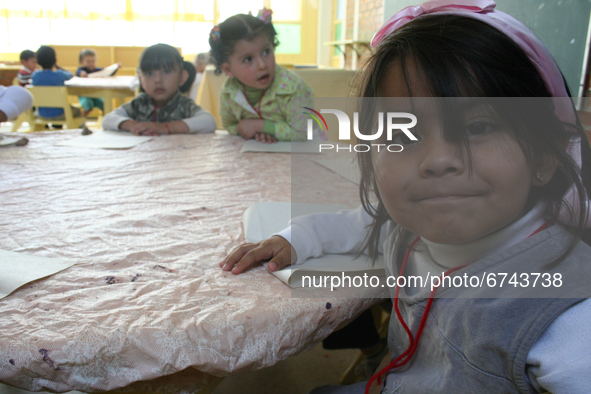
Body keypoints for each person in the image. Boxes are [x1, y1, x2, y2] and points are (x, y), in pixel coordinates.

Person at [219, 1, 591, 393]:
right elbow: (356, 223)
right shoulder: (411, 225)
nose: (439, 159)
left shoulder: (568, 321)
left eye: (478, 126)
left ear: (546, 157)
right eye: (401, 135)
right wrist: (293, 239)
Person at [209, 8, 314, 143]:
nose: (262, 65)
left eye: (266, 52)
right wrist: (252, 133)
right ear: (228, 69)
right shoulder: (229, 92)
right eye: (248, 59)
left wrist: (259, 126)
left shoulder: (294, 88)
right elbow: (230, 125)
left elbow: (304, 133)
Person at [102, 43, 217, 136]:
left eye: (166, 72)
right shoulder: (140, 103)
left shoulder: (183, 104)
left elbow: (209, 122)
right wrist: (132, 125)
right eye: (150, 73)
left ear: (182, 77)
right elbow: (107, 119)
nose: (158, 80)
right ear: (141, 80)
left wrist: (165, 128)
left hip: (176, 157)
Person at [31, 45, 82, 120]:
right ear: (55, 61)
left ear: (37, 62)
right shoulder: (60, 75)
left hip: (42, 113)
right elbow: (72, 75)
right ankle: (80, 130)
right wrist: (58, 67)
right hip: (61, 113)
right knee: (77, 111)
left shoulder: (35, 76)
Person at [75, 49, 105, 116]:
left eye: (93, 61)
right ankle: (81, 121)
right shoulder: (81, 70)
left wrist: (116, 67)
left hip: (96, 94)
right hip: (84, 94)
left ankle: (107, 122)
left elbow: (107, 71)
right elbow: (79, 72)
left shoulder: (97, 70)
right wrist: (82, 74)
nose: (91, 64)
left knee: (105, 105)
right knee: (88, 106)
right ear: (82, 61)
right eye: (88, 61)